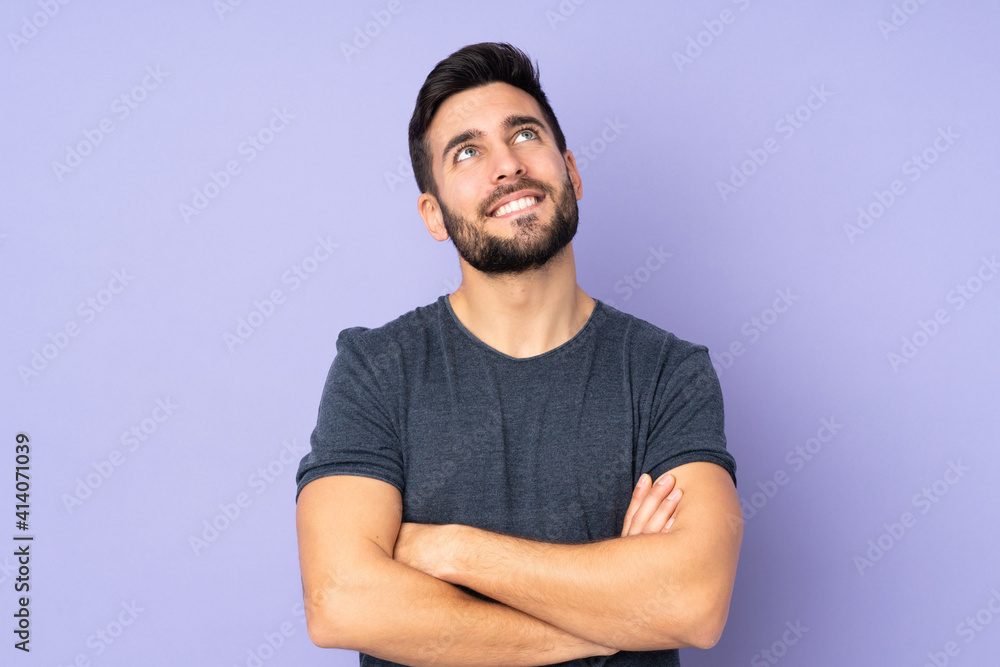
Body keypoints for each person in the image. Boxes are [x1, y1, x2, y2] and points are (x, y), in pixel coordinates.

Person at [295, 42, 742, 667]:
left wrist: (454, 552)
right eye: (468, 151)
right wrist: (615, 618)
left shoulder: (668, 373)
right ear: (434, 215)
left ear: (572, 172)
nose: (507, 166)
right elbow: (342, 601)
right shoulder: (376, 370)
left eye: (525, 134)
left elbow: (693, 602)